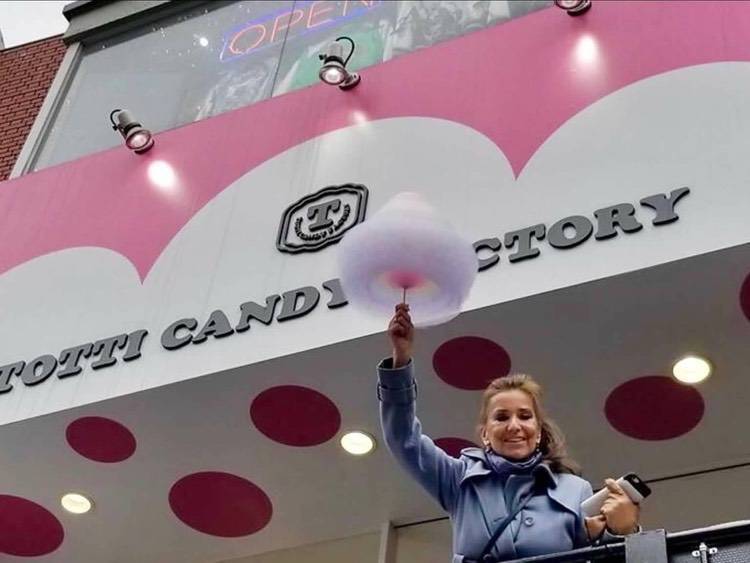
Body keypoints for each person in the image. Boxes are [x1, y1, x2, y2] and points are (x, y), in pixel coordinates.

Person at [377, 303, 640, 563]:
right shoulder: (459, 479)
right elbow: (403, 439)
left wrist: (622, 530)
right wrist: (401, 359)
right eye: (501, 417)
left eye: (525, 416)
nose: (514, 426)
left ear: (538, 432)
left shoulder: (574, 490)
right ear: (485, 435)